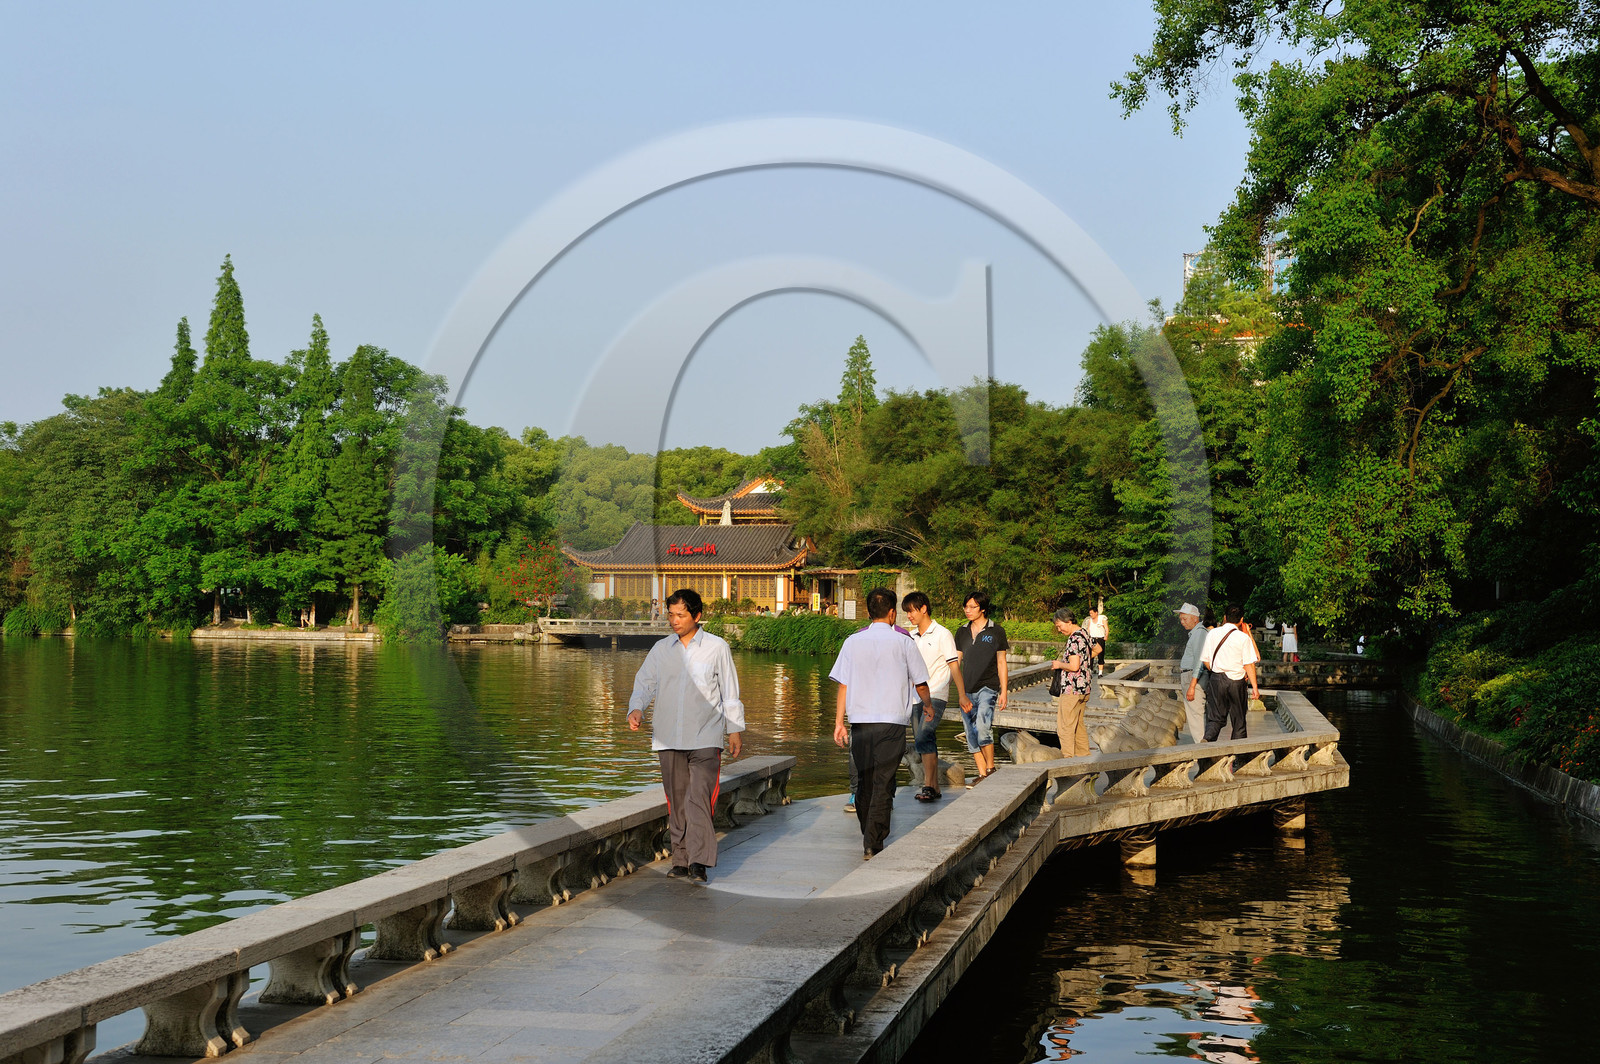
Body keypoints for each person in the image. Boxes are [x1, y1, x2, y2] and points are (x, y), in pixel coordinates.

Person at [626, 588, 744, 885]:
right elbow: (644, 683)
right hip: (668, 737)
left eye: (680, 615)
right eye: (671, 615)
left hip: (705, 735)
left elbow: (730, 691)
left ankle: (699, 862)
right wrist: (636, 708)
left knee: (699, 799)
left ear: (697, 615)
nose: (674, 621)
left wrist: (734, 729)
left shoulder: (716, 647)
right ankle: (680, 860)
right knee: (677, 801)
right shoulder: (661, 649)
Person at [830, 587, 933, 859]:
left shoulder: (852, 642)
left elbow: (843, 684)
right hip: (891, 723)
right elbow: (921, 683)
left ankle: (869, 834)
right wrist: (928, 705)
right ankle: (873, 840)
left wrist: (839, 722)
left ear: (868, 612)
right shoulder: (904, 642)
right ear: (892, 613)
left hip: (860, 723)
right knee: (884, 781)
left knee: (865, 780)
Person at [903, 591, 966, 800]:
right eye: (906, 612)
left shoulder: (942, 634)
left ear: (923, 609)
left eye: (911, 611)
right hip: (915, 697)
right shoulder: (910, 636)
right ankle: (934, 787)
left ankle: (928, 785)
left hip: (936, 694)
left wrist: (962, 695)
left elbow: (954, 666)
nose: (909, 615)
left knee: (924, 734)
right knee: (923, 740)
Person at [954, 590, 1008, 784]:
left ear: (982, 609)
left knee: (983, 727)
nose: (967, 610)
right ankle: (983, 774)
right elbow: (956, 662)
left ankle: (991, 768)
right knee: (970, 732)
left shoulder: (996, 631)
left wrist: (1004, 691)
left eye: (972, 607)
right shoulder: (961, 632)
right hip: (966, 690)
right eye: (965, 606)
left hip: (988, 687)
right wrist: (958, 692)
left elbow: (1001, 662)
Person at [1188, 604, 1260, 741]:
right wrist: (1255, 687)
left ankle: (1208, 739)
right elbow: (1249, 664)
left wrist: (1216, 670)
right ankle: (1237, 753)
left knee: (1215, 718)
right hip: (1236, 682)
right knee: (1238, 721)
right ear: (1241, 620)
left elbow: (1205, 660)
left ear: (1225, 617)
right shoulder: (1243, 638)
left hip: (1216, 679)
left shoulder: (1212, 633)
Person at [1049, 608, 1093, 757]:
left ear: (1068, 621)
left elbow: (1074, 667)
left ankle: (1068, 759)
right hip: (1084, 687)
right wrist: (1084, 661)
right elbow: (1098, 648)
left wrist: (1059, 664)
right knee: (1078, 725)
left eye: (1059, 626)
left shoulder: (1074, 638)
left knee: (1065, 727)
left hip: (1072, 689)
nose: (1059, 629)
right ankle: (1084, 757)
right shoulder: (1084, 633)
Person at [1175, 602, 1210, 743]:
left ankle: (1201, 748)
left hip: (1192, 677)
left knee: (1195, 714)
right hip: (1190, 676)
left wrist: (1192, 686)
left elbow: (1199, 661)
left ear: (1195, 618)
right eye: (1181, 619)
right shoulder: (1196, 633)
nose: (1182, 622)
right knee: (1195, 714)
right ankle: (1202, 746)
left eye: (1185, 619)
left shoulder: (1200, 633)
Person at [1085, 604, 1109, 676]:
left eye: (1092, 613)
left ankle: (1100, 673)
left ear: (1096, 613)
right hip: (1092, 638)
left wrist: (1106, 635)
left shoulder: (1102, 619)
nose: (1091, 615)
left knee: (1100, 655)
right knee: (1090, 655)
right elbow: (1088, 629)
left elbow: (1106, 628)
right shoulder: (1090, 620)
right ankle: (1090, 671)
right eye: (1090, 613)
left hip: (1100, 638)